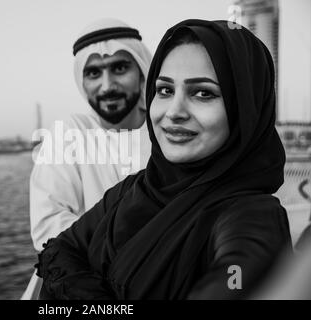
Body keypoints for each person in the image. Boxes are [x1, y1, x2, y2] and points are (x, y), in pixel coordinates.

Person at [36, 19, 292, 300]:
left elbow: (237, 277)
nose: (174, 112)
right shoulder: (138, 186)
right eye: (166, 90)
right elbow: (59, 245)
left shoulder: (251, 217)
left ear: (244, 108)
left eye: (203, 93)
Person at [22, 18, 152, 299]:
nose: (107, 86)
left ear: (142, 71)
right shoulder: (70, 133)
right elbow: (48, 225)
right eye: (94, 73)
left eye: (119, 68)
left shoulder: (167, 130)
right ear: (81, 81)